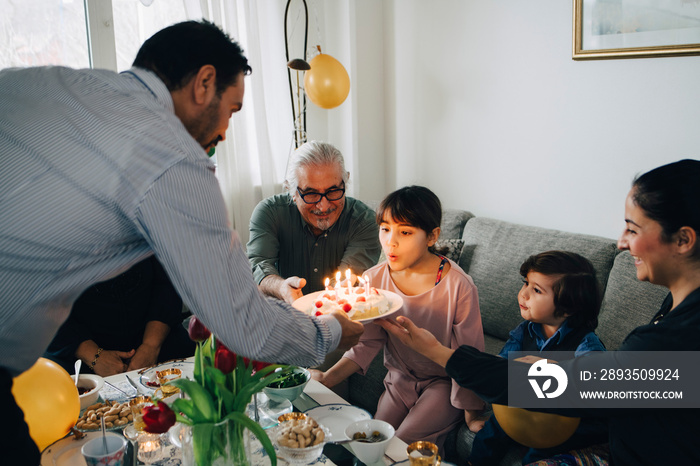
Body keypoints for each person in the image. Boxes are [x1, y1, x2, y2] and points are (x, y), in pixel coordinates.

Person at [0, 20, 363, 461]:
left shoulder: (59, 84)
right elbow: (243, 321)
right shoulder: (170, 155)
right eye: (232, 109)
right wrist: (329, 333)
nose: (226, 131)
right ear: (204, 82)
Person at [377, 160, 700, 465]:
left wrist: (436, 352)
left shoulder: (676, 342)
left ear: (683, 239)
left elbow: (572, 385)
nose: (621, 242)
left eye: (633, 228)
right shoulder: (676, 308)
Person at [310, 186, 486, 453]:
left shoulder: (459, 286)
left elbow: (470, 355)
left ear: (432, 236)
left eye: (405, 232)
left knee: (400, 446)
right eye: (385, 228)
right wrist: (326, 379)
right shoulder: (375, 279)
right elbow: (366, 342)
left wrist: (473, 414)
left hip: (443, 384)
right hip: (399, 379)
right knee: (369, 442)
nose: (390, 242)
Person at [469, 251, 608, 465]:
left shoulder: (586, 344)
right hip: (531, 407)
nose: (523, 294)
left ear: (568, 307)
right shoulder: (524, 331)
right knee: (491, 431)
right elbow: (501, 365)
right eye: (525, 283)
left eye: (536, 290)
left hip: (568, 422)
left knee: (540, 451)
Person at [247, 140, 381, 303]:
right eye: (311, 194)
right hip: (283, 316)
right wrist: (281, 287)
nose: (323, 206)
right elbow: (258, 265)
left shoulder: (364, 221)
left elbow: (345, 283)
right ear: (292, 191)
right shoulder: (270, 213)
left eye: (333, 191)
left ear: (345, 182)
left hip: (341, 317)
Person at [44, 256, 195, 377]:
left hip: (157, 335)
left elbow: (167, 284)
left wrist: (151, 345)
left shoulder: (148, 222)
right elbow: (42, 308)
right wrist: (94, 356)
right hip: (77, 350)